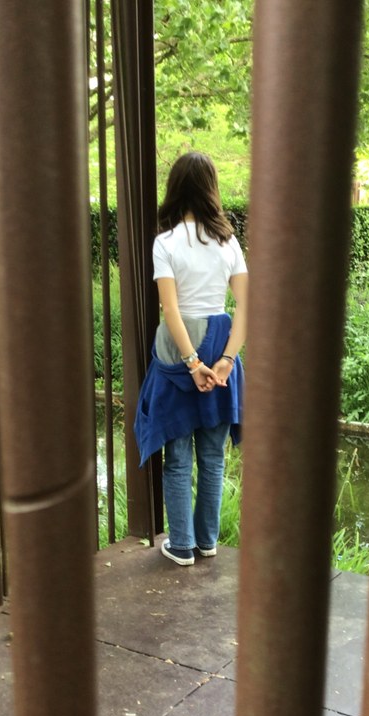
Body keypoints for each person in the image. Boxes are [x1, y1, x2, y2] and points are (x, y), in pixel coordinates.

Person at [134, 151, 248, 566]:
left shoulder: (165, 243)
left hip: (178, 354)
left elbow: (170, 310)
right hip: (220, 345)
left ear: (175, 189)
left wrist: (192, 362)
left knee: (178, 458)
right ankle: (207, 541)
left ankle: (181, 545)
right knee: (213, 459)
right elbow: (246, 306)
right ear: (211, 189)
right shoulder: (228, 242)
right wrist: (226, 361)